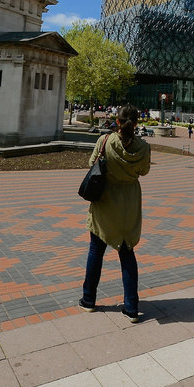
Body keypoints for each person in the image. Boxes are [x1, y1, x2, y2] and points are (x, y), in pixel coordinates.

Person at [79, 104, 151, 322]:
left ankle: (88, 300)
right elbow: (144, 171)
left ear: (117, 122)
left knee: (96, 250)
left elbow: (92, 164)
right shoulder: (143, 148)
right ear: (137, 123)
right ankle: (131, 307)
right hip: (128, 203)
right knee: (127, 253)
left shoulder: (104, 141)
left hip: (105, 201)